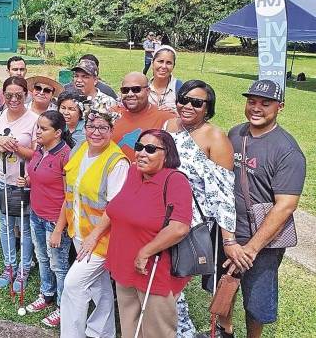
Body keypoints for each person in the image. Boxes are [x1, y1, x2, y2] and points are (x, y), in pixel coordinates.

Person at [225, 80, 306, 338]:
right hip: (229, 231)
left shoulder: (287, 151)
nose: (256, 108)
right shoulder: (235, 134)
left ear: (279, 107)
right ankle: (225, 331)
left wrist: (251, 248)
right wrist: (228, 237)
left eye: (265, 103)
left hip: (262, 239)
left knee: (256, 299)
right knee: (224, 284)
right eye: (252, 101)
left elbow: (286, 206)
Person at [164, 80, 237, 338]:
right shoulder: (170, 126)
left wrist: (228, 239)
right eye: (183, 99)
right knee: (164, 281)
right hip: (161, 215)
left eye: (196, 102)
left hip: (190, 222)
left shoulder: (215, 137)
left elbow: (225, 193)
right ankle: (175, 329)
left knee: (174, 282)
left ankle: (182, 331)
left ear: (208, 108)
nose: (188, 106)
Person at [106, 129, 193, 337]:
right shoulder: (133, 172)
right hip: (123, 264)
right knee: (130, 328)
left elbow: (180, 226)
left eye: (151, 149)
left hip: (153, 269)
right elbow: (117, 209)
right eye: (139, 147)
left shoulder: (175, 180)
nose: (142, 153)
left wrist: (146, 252)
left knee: (156, 331)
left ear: (167, 154)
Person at [57, 105, 129, 338]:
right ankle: (102, 332)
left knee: (73, 285)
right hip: (79, 232)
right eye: (91, 126)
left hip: (100, 239)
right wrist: (62, 227)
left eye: (103, 128)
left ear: (111, 130)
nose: (96, 132)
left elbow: (115, 208)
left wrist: (93, 237)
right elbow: (70, 193)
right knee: (100, 288)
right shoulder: (80, 148)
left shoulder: (116, 162)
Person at [18, 110, 74, 328]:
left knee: (58, 264)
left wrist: (60, 228)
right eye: (37, 127)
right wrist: (29, 181)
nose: (38, 131)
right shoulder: (40, 149)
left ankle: (63, 306)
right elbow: (41, 175)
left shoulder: (66, 156)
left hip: (54, 220)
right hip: (36, 215)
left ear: (58, 132)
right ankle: (47, 293)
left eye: (43, 129)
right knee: (42, 258)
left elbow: (69, 195)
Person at [0, 76, 38, 292]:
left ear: (27, 95)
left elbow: (36, 155)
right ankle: (9, 266)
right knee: (6, 224)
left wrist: (14, 146)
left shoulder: (34, 120)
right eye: (9, 95)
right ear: (3, 96)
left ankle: (24, 269)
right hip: (1, 178)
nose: (14, 99)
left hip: (23, 181)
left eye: (19, 95)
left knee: (23, 226)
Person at [111, 72, 175, 162]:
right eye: (125, 90)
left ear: (148, 91)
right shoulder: (112, 113)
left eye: (136, 89)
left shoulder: (165, 117)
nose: (130, 94)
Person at [148, 45, 183, 112]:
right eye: (160, 61)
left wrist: (176, 114)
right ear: (152, 63)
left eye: (169, 63)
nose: (164, 66)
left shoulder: (180, 88)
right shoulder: (143, 88)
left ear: (173, 66)